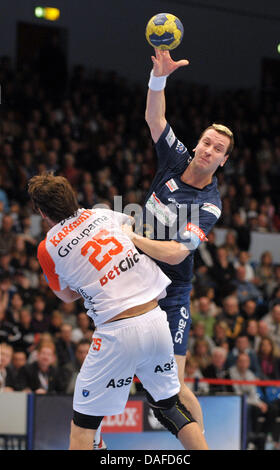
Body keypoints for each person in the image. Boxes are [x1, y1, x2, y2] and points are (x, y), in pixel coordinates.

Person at [27, 172, 208, 450]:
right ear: (72, 197)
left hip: (117, 332)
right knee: (170, 410)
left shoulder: (47, 247)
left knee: (82, 427)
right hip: (156, 320)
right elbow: (132, 226)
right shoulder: (105, 215)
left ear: (41, 212)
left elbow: (65, 296)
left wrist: (90, 279)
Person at [123, 48, 234, 436]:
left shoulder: (209, 205)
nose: (209, 150)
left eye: (218, 150)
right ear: (198, 142)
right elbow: (155, 117)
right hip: (135, 281)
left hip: (171, 292)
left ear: (222, 162)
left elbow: (174, 251)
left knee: (174, 385)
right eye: (207, 142)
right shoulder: (174, 157)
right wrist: (159, 77)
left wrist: (132, 237)